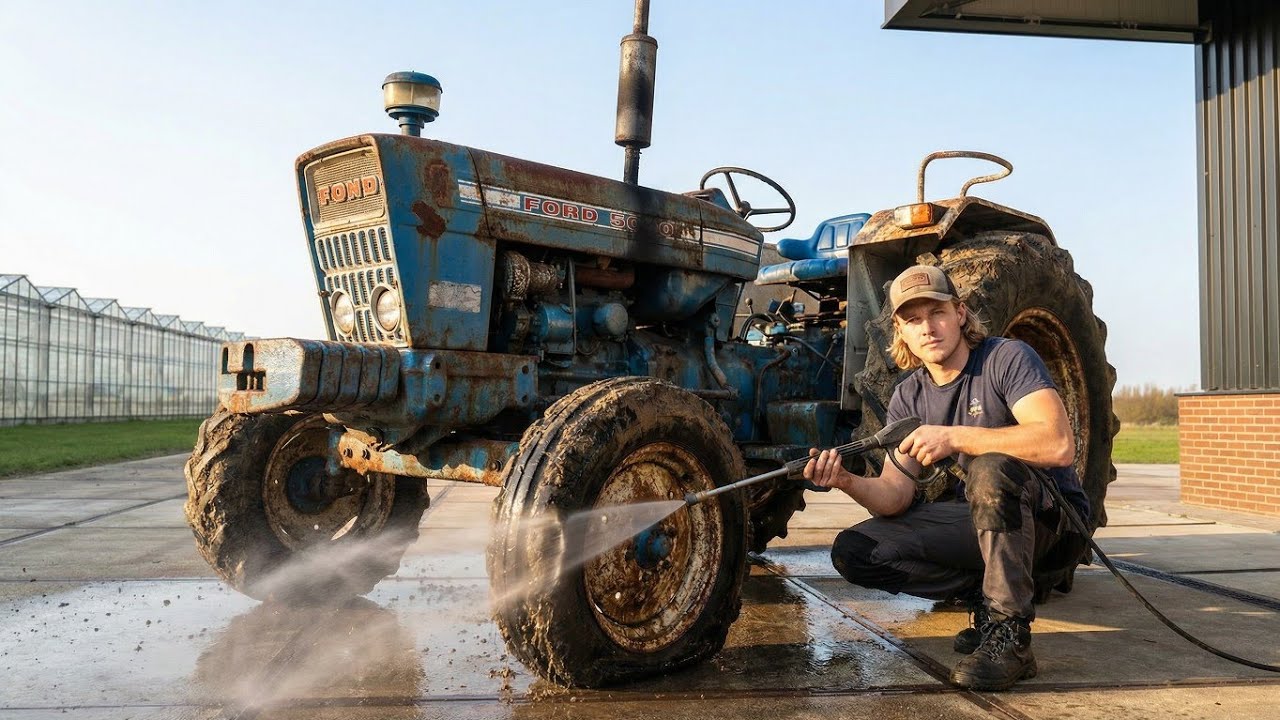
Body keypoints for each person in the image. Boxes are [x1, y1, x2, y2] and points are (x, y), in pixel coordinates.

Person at [803, 264, 1089, 691]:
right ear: (900, 330)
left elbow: (1057, 443)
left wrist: (955, 436)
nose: (927, 328)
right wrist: (845, 480)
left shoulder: (1005, 358)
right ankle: (985, 595)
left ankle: (1010, 636)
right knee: (856, 551)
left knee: (993, 468)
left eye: (936, 312)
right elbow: (895, 496)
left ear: (960, 312)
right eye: (913, 319)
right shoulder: (908, 394)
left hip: (1052, 525)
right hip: (982, 523)